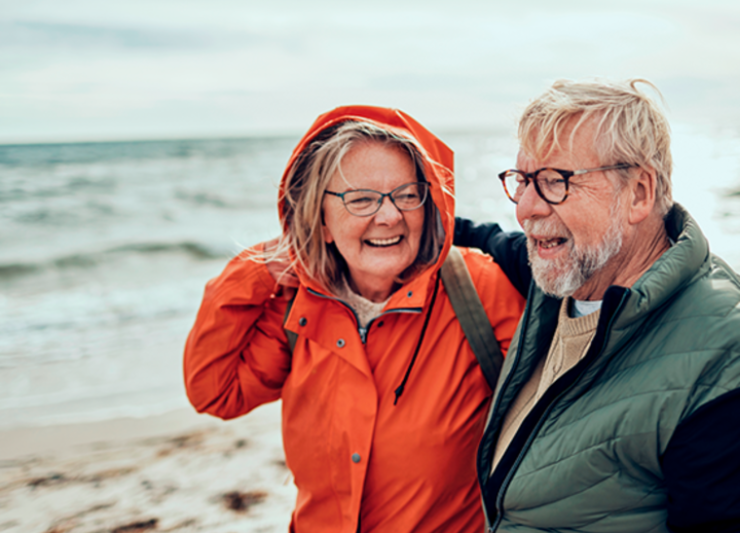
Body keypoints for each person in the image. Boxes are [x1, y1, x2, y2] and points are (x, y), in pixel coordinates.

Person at [183, 106, 525, 533]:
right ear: (321, 220)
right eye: (361, 199)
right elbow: (216, 393)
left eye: (406, 194)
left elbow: (553, 424)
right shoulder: (298, 305)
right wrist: (257, 269)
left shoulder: (476, 288)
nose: (390, 216)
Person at [455, 79, 740, 533]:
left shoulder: (721, 354)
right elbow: (480, 237)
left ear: (639, 193)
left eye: (554, 182)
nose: (526, 208)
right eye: (523, 181)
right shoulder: (560, 278)